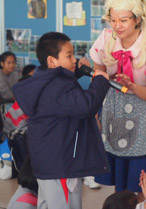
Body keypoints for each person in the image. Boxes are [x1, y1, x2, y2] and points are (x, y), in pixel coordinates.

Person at [89, 0, 146, 194]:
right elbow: (98, 71)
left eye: (123, 20)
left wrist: (132, 86)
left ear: (138, 19)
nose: (116, 25)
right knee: (119, 176)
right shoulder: (106, 38)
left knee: (141, 176)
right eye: (112, 20)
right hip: (114, 110)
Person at [13, 32, 110, 209]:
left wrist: (78, 71)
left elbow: (63, 88)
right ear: (52, 61)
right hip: (62, 163)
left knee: (47, 204)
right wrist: (100, 81)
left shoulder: (44, 79)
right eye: (69, 55)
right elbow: (85, 105)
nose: (74, 59)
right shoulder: (57, 87)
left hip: (49, 162)